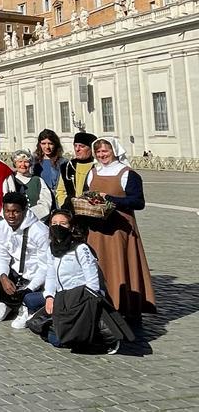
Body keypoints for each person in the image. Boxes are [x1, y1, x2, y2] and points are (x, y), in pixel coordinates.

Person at [82, 137, 156, 320]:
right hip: (96, 229)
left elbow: (138, 202)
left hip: (119, 229)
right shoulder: (93, 172)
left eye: (105, 151)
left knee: (120, 264)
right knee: (98, 265)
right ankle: (100, 301)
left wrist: (111, 199)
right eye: (98, 152)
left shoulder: (127, 174)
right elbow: (85, 194)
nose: (101, 155)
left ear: (114, 151)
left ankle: (124, 305)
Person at [43, 210, 132, 354]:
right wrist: (49, 296)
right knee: (54, 338)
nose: (57, 227)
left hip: (81, 299)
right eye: (54, 223)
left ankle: (100, 338)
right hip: (62, 299)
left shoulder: (80, 248)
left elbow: (92, 279)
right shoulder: (51, 249)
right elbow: (51, 275)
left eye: (63, 223)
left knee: (64, 340)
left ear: (71, 227)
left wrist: (89, 302)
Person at [0, 192, 50, 329]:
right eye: (7, 211)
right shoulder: (1, 228)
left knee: (23, 313)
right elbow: (1, 256)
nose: (11, 215)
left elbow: (45, 266)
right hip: (17, 274)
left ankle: (29, 307)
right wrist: (3, 277)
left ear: (24, 211)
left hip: (37, 279)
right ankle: (8, 304)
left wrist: (30, 288)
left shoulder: (40, 231)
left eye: (16, 211)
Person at [55, 131, 96, 212]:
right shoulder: (67, 167)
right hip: (70, 210)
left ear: (91, 148)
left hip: (92, 210)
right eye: (75, 146)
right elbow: (60, 190)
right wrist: (64, 205)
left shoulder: (98, 166)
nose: (77, 149)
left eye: (82, 146)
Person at [11, 150, 54, 220]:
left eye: (26, 162)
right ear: (15, 163)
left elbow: (46, 202)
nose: (23, 165)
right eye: (20, 161)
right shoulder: (11, 179)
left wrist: (30, 215)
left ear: (30, 164)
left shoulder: (37, 180)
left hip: (35, 220)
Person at [33, 129, 67, 197]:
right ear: (39, 144)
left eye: (50, 143)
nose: (47, 147)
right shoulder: (34, 162)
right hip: (41, 199)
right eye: (43, 143)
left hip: (57, 199)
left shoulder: (63, 162)